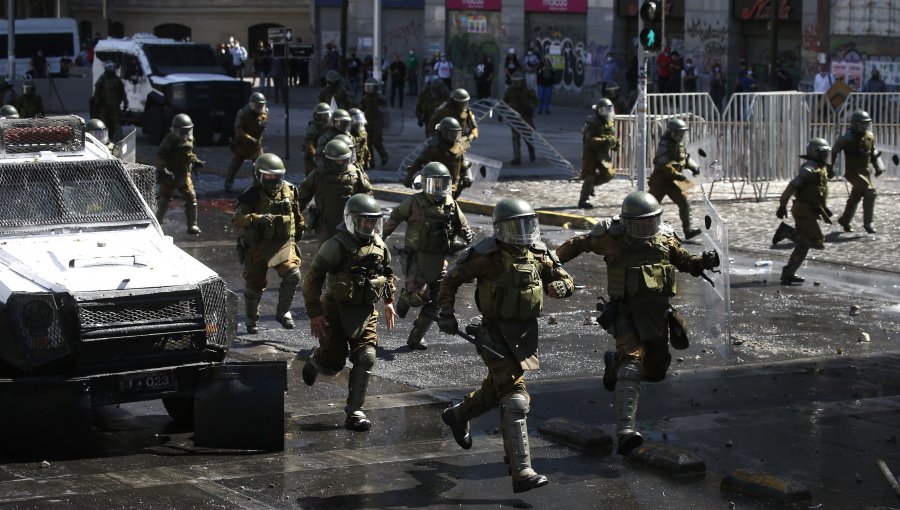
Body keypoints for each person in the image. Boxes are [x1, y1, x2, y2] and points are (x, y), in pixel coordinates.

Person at [555, 191, 720, 456]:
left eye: (650, 221)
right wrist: (553, 264)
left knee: (655, 370)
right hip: (625, 312)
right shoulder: (612, 238)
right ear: (627, 222)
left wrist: (704, 262)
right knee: (632, 363)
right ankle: (625, 432)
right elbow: (577, 243)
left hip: (656, 315)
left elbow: (686, 262)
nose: (645, 227)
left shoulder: (665, 239)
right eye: (639, 223)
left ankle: (613, 365)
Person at [437, 197, 574, 493]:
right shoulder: (486, 254)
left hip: (525, 334)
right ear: (500, 229)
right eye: (515, 227)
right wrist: (446, 312)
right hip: (494, 335)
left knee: (497, 388)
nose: (522, 233)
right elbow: (451, 279)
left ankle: (458, 414)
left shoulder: (537, 252)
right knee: (515, 396)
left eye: (527, 225)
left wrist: (562, 287)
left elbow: (565, 279)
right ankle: (521, 470)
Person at [301, 193, 396, 432]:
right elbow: (312, 280)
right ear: (352, 220)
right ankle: (316, 361)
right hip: (334, 310)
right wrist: (315, 314)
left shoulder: (379, 245)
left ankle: (355, 412)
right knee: (332, 364)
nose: (369, 226)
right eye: (363, 221)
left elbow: (387, 273)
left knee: (366, 357)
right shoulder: (335, 246)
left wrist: (389, 300)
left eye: (373, 221)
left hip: (365, 311)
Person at [382, 162, 474, 350]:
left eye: (442, 183)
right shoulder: (415, 202)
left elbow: (462, 225)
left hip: (439, 260)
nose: (438, 188)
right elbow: (394, 218)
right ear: (425, 184)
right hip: (416, 258)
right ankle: (406, 299)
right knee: (420, 297)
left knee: (438, 301)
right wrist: (377, 240)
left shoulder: (450, 203)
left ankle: (416, 338)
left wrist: (467, 234)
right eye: (434, 183)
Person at [233, 153, 305, 333]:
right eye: (269, 176)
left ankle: (283, 312)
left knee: (293, 275)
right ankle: (251, 321)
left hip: (282, 244)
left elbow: (297, 216)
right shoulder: (251, 195)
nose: (274, 180)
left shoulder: (290, 190)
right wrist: (257, 219)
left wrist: (297, 234)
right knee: (253, 286)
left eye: (277, 176)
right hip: (257, 246)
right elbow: (238, 219)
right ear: (259, 175)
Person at [771, 139, 833, 285]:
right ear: (816, 153)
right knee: (817, 242)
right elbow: (793, 185)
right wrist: (782, 204)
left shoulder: (819, 167)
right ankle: (785, 232)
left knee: (803, 243)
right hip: (803, 209)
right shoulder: (810, 168)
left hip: (809, 209)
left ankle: (788, 273)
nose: (826, 156)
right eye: (823, 153)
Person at [297, 139, 373, 243]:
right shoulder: (318, 174)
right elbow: (301, 197)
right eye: (337, 161)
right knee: (326, 254)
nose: (340, 163)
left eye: (343, 160)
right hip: (326, 224)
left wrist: (368, 220)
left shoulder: (355, 173)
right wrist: (295, 219)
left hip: (351, 221)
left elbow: (367, 195)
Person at [831, 110, 884, 234]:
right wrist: (829, 168)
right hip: (852, 172)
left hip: (865, 172)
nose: (865, 127)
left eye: (867, 124)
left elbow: (873, 153)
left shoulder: (870, 136)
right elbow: (834, 152)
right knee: (870, 193)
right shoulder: (846, 139)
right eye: (862, 124)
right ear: (854, 124)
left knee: (856, 196)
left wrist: (877, 167)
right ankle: (868, 223)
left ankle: (845, 219)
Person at [648, 118, 702, 239]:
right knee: (650, 207)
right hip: (660, 182)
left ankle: (688, 230)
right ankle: (642, 229)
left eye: (683, 132)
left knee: (684, 203)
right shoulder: (664, 145)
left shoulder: (680, 144)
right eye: (680, 132)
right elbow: (664, 165)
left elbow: (685, 159)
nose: (682, 135)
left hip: (674, 182)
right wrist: (679, 175)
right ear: (672, 132)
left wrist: (694, 167)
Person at [155, 114, 205, 235]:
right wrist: (163, 170)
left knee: (191, 197)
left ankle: (192, 225)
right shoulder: (169, 141)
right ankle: (157, 224)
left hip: (183, 175)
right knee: (164, 201)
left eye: (187, 130)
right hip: (170, 175)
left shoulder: (190, 139)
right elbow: (161, 156)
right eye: (182, 131)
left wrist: (195, 161)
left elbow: (190, 154)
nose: (185, 133)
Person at [405, 117, 470, 199]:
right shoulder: (435, 147)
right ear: (444, 133)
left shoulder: (459, 145)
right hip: (437, 186)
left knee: (450, 206)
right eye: (452, 134)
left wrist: (466, 176)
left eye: (456, 133)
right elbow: (419, 162)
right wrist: (409, 176)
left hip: (454, 186)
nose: (455, 137)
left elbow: (461, 162)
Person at [578, 98, 619, 209]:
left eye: (609, 109)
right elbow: (589, 139)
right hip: (590, 153)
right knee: (590, 175)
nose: (607, 112)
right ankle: (583, 200)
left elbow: (611, 136)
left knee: (609, 174)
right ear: (599, 111)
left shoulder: (609, 122)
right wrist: (605, 141)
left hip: (602, 153)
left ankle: (590, 186)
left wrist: (615, 144)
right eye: (604, 110)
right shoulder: (593, 122)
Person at [225, 92, 268, 193]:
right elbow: (238, 129)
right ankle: (228, 183)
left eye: (261, 105)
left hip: (256, 145)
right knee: (235, 164)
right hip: (243, 144)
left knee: (259, 164)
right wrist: (249, 138)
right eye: (258, 105)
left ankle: (258, 184)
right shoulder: (243, 113)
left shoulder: (264, 112)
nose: (260, 107)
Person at [503, 72, 537, 166]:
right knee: (515, 137)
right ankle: (517, 158)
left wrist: (532, 107)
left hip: (526, 116)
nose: (516, 83)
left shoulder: (528, 90)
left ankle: (531, 152)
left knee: (527, 137)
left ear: (522, 81)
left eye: (518, 81)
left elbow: (535, 100)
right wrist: (501, 114)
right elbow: (504, 102)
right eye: (515, 81)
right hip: (514, 116)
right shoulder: (510, 90)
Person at [92, 61, 128, 141]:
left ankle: (118, 138)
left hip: (115, 105)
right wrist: (97, 102)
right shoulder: (102, 79)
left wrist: (125, 101)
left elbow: (122, 91)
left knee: (117, 122)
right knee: (104, 122)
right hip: (104, 105)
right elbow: (97, 91)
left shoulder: (117, 80)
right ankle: (103, 138)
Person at [360, 78, 389, 167]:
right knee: (367, 143)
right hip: (367, 123)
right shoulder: (364, 98)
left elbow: (385, 109)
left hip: (377, 123)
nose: (369, 89)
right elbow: (360, 109)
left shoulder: (380, 98)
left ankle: (384, 156)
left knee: (376, 142)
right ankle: (370, 161)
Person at [304, 102, 332, 174]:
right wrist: (315, 155)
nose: (327, 117)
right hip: (313, 157)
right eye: (324, 115)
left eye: (327, 114)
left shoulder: (328, 126)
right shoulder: (314, 127)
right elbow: (308, 143)